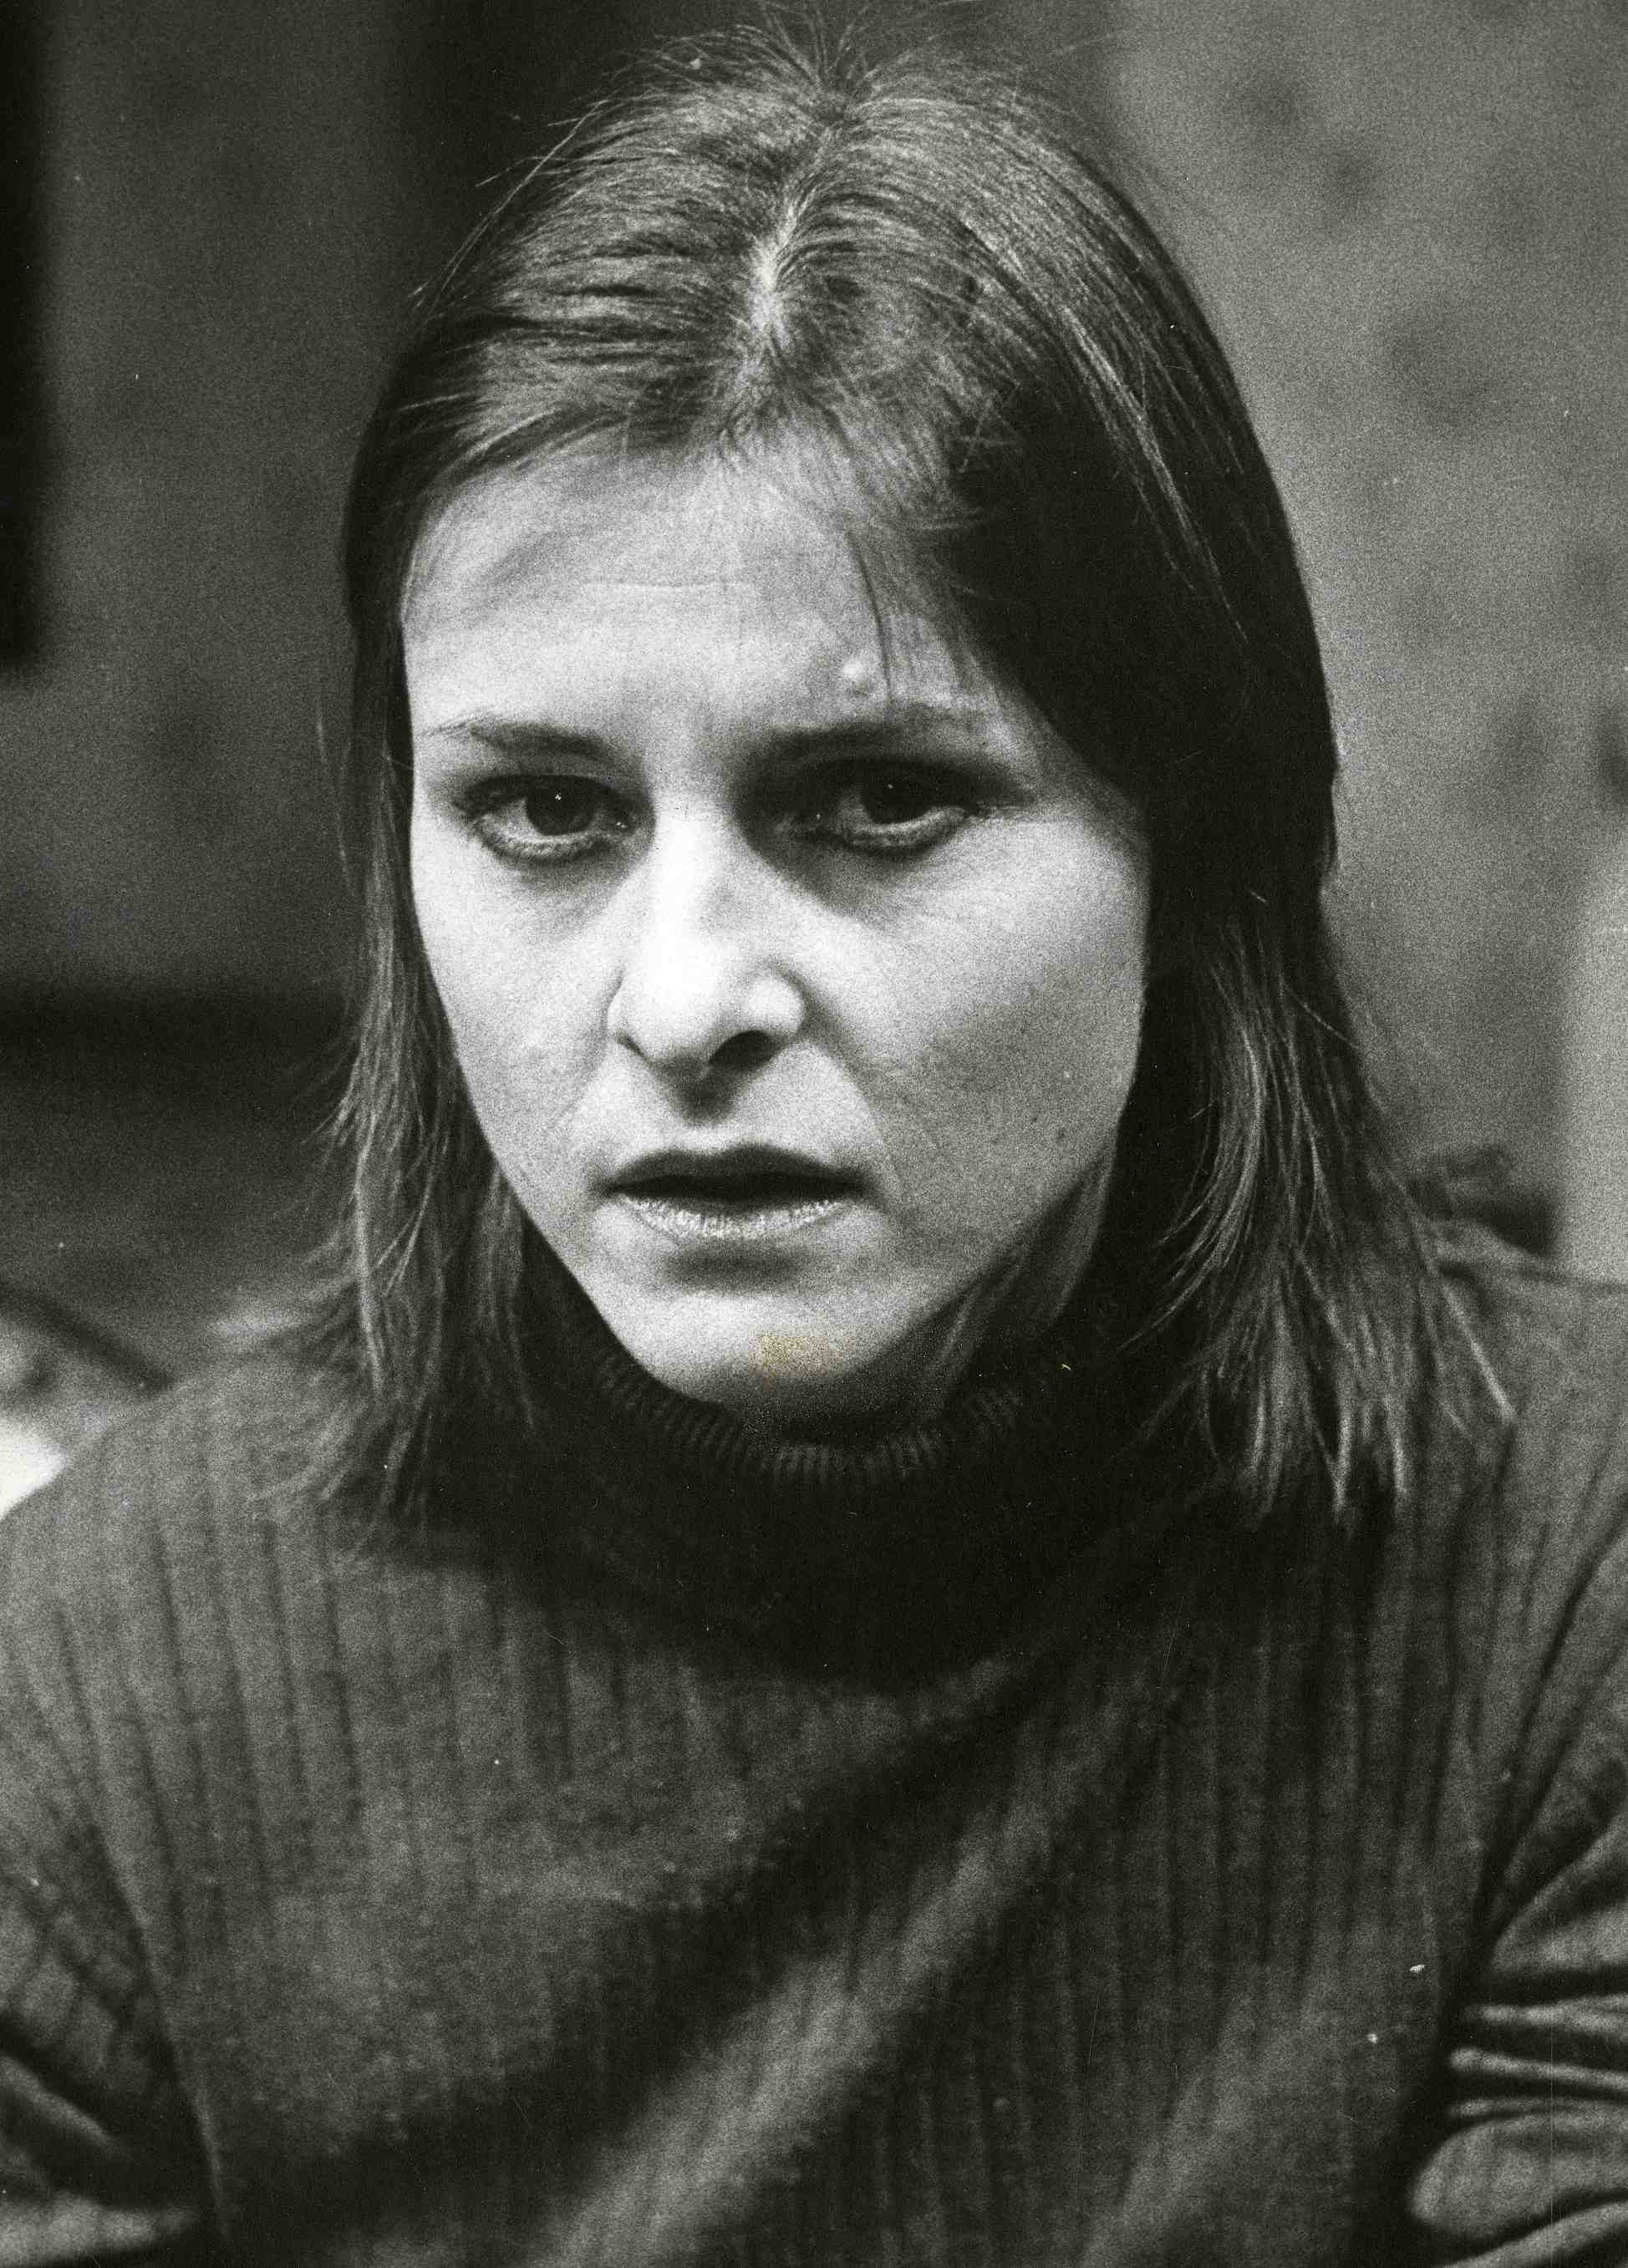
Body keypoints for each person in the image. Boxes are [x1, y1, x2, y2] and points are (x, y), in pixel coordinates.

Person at [3, 26, 1625, 2265]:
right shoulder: (106, 1682)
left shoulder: (1561, 1575)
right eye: (545, 810)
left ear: (1200, 845)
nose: (683, 1002)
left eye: (876, 800)